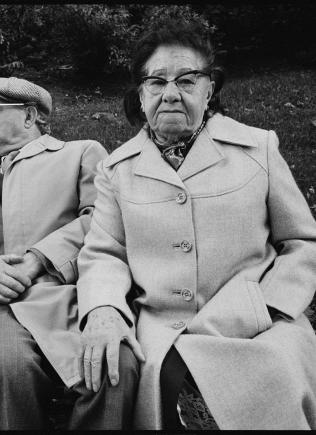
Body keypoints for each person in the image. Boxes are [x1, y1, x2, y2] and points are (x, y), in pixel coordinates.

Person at [76, 19, 316, 430]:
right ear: (141, 92)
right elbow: (104, 253)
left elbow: (302, 242)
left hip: (258, 324)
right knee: (163, 376)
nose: (170, 93)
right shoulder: (116, 169)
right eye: (156, 82)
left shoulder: (258, 148)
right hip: (163, 328)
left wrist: (269, 306)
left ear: (210, 90)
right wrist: (102, 309)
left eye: (187, 81)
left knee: (273, 377)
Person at [0, 77, 139, 430]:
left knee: (115, 364)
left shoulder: (80, 153)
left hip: (68, 300)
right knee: (6, 366)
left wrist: (37, 260)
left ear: (30, 116)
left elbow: (103, 220)